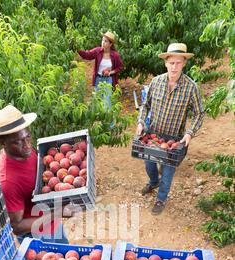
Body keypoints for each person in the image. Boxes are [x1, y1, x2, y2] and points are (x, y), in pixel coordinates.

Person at [136, 43, 205, 215]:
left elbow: (199, 113)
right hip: (152, 135)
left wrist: (189, 133)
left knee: (167, 171)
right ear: (165, 62)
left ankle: (161, 198)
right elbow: (146, 105)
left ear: (184, 63)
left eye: (178, 63)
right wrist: (141, 122)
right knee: (149, 165)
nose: (174, 67)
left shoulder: (191, 88)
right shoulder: (156, 82)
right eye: (171, 62)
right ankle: (153, 182)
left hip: (174, 139)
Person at [0, 104, 68, 243]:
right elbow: (17, 226)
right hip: (37, 237)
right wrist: (58, 212)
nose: (27, 145)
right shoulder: (7, 182)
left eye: (27, 137)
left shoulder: (24, 151)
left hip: (51, 221)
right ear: (3, 142)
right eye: (18, 142)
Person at [78, 31, 123, 107]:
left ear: (110, 44)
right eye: (102, 40)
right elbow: (87, 55)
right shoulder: (98, 51)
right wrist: (77, 49)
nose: (103, 42)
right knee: (97, 101)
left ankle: (107, 118)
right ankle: (99, 118)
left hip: (108, 80)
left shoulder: (115, 55)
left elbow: (120, 67)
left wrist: (110, 72)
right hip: (98, 79)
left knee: (107, 102)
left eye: (105, 41)